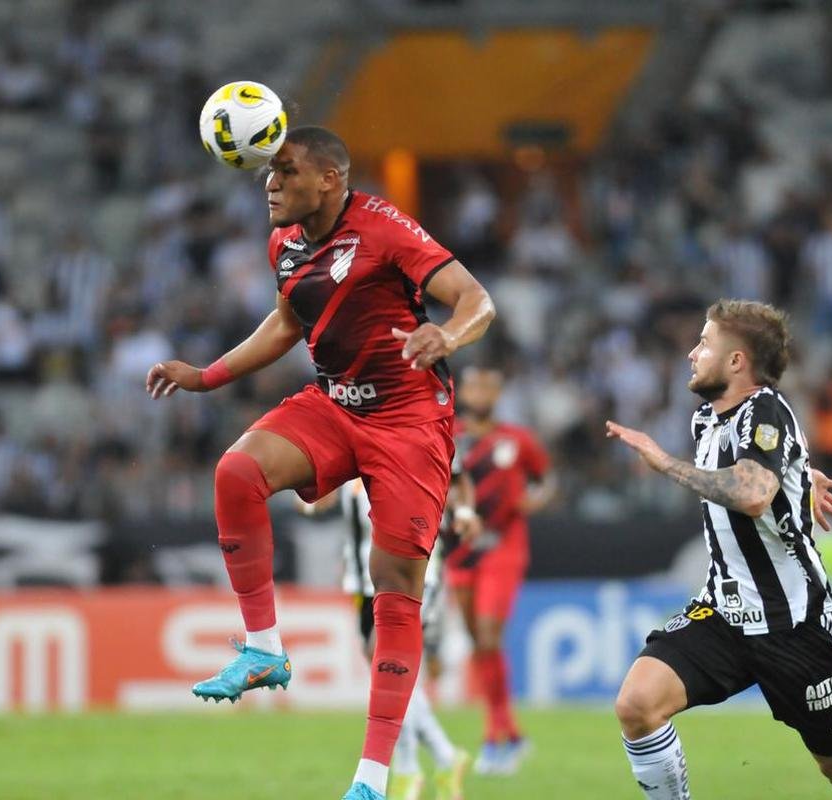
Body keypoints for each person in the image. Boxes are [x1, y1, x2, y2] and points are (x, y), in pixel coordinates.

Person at [146, 126, 495, 800]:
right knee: (235, 472)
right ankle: (264, 648)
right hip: (336, 404)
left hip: (408, 423)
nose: (268, 184)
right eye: (266, 174)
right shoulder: (284, 243)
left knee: (391, 588)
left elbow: (477, 300)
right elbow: (286, 322)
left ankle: (369, 780)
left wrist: (444, 334)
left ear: (329, 180)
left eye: (283, 171)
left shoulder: (386, 229)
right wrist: (206, 376)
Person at [606, 299, 832, 800]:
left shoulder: (767, 407)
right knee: (638, 703)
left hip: (791, 624)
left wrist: (664, 463)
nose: (692, 353)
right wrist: (797, 474)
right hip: (724, 614)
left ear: (737, 362)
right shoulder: (707, 420)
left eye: (705, 343)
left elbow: (753, 495)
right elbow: (763, 469)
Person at [307, 447, 477, 800]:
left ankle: (409, 772)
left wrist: (462, 510)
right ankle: (445, 757)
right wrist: (312, 498)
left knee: (387, 657)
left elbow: (458, 479)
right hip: (362, 577)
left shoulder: (422, 425)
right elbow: (319, 491)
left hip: (415, 571)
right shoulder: (346, 427)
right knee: (388, 671)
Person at [446, 365, 555, 775]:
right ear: (464, 388)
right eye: (475, 384)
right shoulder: (449, 433)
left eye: (489, 384)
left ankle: (494, 739)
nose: (481, 391)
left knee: (490, 635)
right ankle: (512, 732)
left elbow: (546, 479)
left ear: (499, 391)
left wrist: (534, 501)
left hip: (503, 547)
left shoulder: (517, 440)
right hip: (459, 548)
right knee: (479, 643)